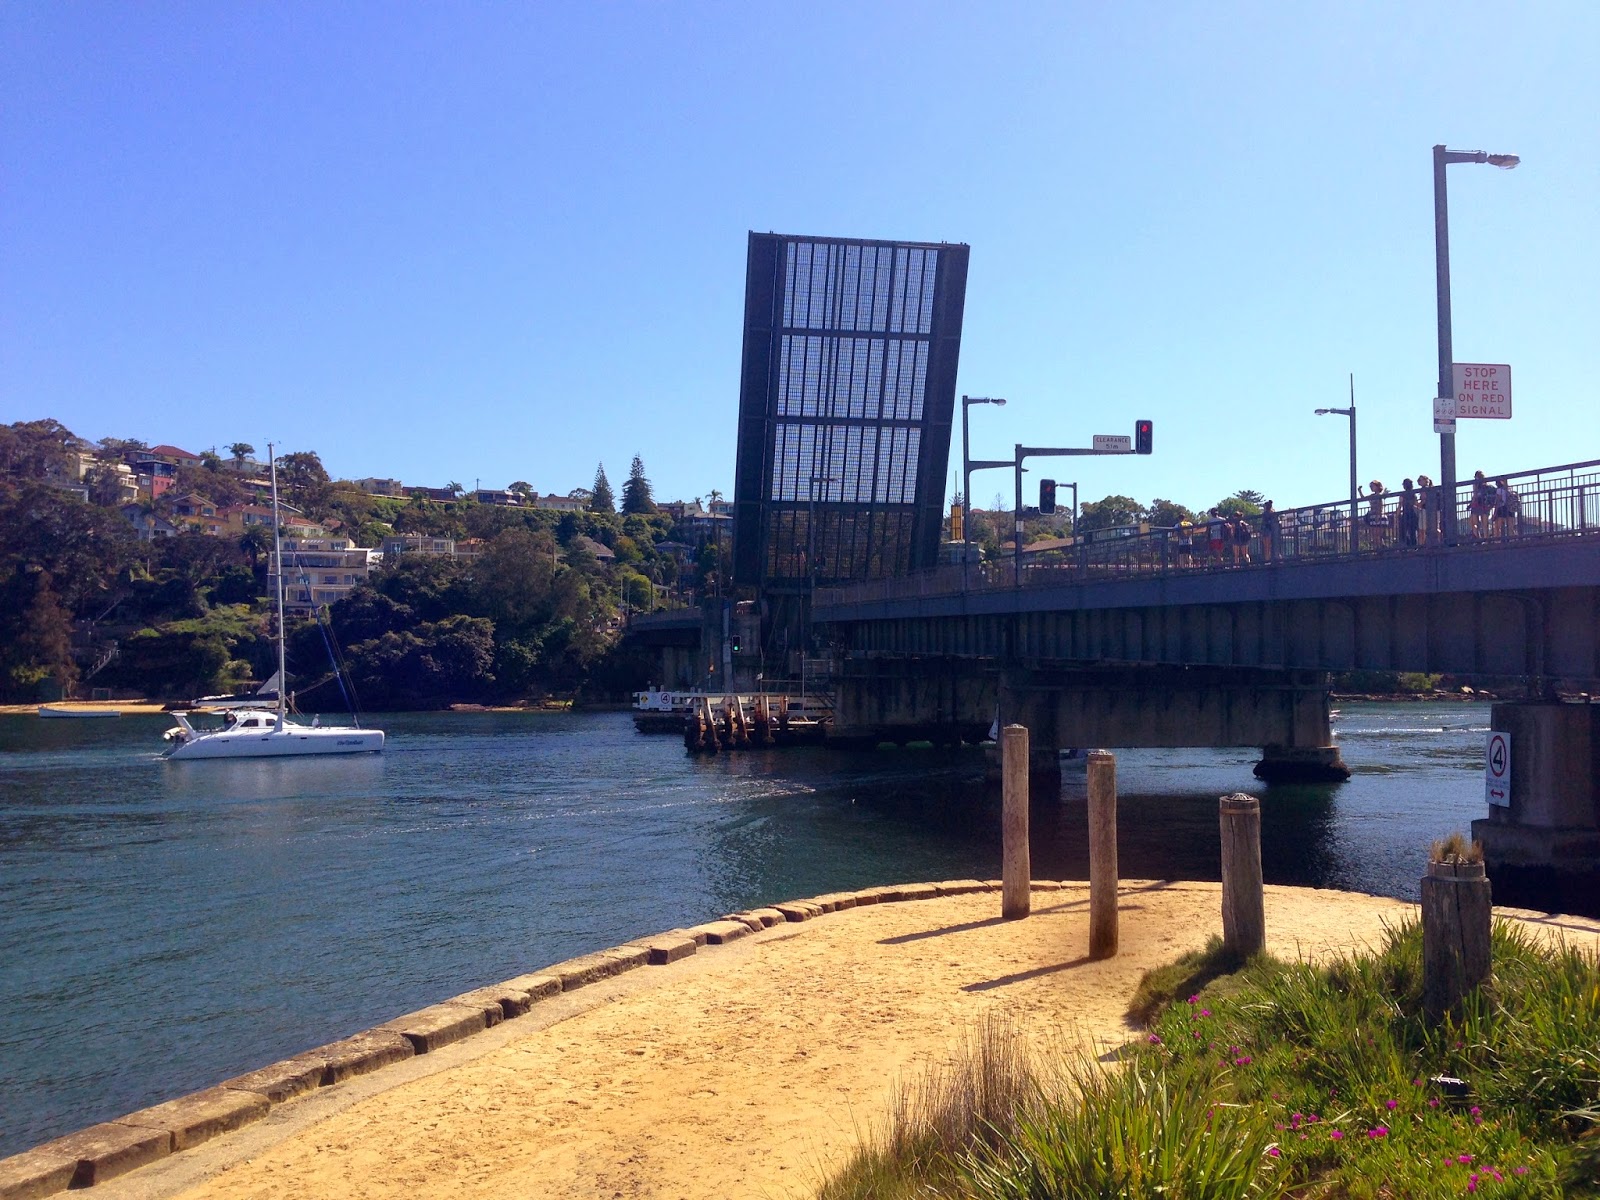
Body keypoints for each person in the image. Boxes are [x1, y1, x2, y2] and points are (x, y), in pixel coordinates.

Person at [1469, 470, 1493, 539]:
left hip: (1477, 504)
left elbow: (1475, 495)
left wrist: (1471, 504)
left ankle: (1478, 537)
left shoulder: (1476, 485)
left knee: (1475, 523)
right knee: (1484, 524)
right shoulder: (1488, 486)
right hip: (1485, 505)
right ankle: (1485, 539)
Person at [1417, 474, 1438, 546]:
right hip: (1434, 510)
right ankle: (1438, 542)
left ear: (1425, 480)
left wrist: (1417, 505)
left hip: (1425, 511)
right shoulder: (1432, 489)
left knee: (1421, 530)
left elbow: (1424, 500)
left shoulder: (1424, 489)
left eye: (1420, 480)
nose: (1418, 481)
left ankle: (1421, 545)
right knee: (1434, 528)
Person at [1398, 479, 1419, 548]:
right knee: (1412, 531)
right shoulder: (1413, 494)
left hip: (1406, 514)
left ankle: (1407, 545)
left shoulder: (1403, 494)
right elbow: (1416, 503)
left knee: (1403, 531)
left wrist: (1397, 513)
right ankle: (1413, 546)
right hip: (1412, 514)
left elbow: (1400, 504)